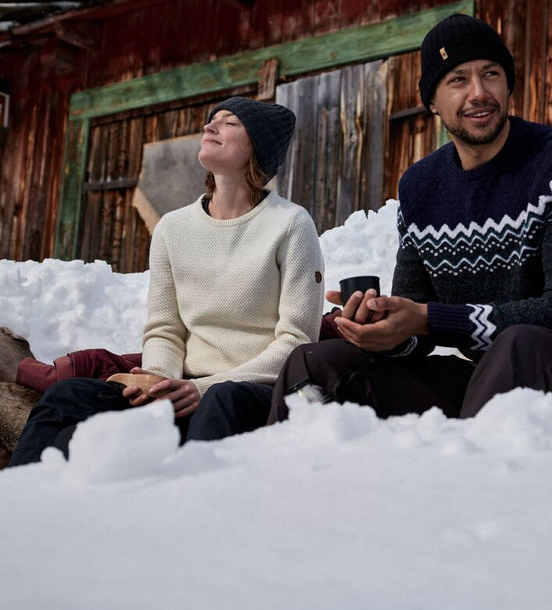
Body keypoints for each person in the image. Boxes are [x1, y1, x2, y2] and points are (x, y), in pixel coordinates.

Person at [267, 14, 552, 424]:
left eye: (491, 74)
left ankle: (462, 463)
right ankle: (276, 462)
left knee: (518, 345)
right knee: (316, 363)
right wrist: (384, 327)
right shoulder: (421, 186)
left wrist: (430, 319)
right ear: (432, 101)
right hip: (488, 375)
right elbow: (415, 320)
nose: (478, 93)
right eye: (458, 80)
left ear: (508, 84)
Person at [8, 97, 324, 466]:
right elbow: (165, 330)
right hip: (180, 388)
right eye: (212, 120)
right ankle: (20, 494)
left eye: (230, 123)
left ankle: (185, 500)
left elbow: (297, 342)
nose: (210, 127)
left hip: (252, 390)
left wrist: (201, 389)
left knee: (220, 401)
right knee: (68, 397)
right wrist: (157, 384)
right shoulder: (173, 228)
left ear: (258, 147)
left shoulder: (291, 224)